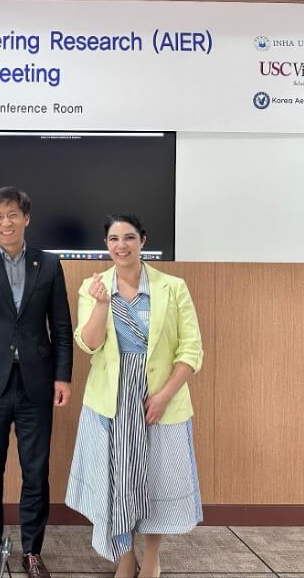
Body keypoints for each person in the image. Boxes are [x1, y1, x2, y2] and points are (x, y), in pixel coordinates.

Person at [65, 214, 204, 578]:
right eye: (113, 238)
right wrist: (99, 304)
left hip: (160, 398)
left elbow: (191, 350)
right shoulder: (92, 286)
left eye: (129, 237)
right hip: (111, 401)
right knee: (117, 479)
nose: (121, 245)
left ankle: (153, 557)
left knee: (155, 478)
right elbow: (89, 344)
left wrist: (164, 396)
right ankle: (124, 557)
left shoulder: (173, 287)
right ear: (106, 244)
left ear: (143, 240)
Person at [0, 187, 73, 578]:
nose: (5, 223)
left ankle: (32, 551)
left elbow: (60, 324)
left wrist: (63, 377)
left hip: (36, 383)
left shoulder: (49, 264)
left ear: (26, 218)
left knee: (35, 471)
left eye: (12, 214)